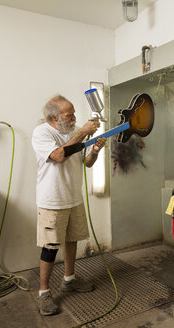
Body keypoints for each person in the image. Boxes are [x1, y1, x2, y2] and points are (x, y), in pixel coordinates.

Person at [31, 94, 107, 316]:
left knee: (71, 239)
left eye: (73, 112)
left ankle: (69, 279)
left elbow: (87, 164)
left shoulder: (73, 131)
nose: (74, 117)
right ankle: (44, 293)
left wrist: (94, 150)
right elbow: (58, 155)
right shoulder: (42, 132)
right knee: (50, 246)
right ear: (54, 117)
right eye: (69, 114)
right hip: (52, 200)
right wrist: (82, 133)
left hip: (73, 197)